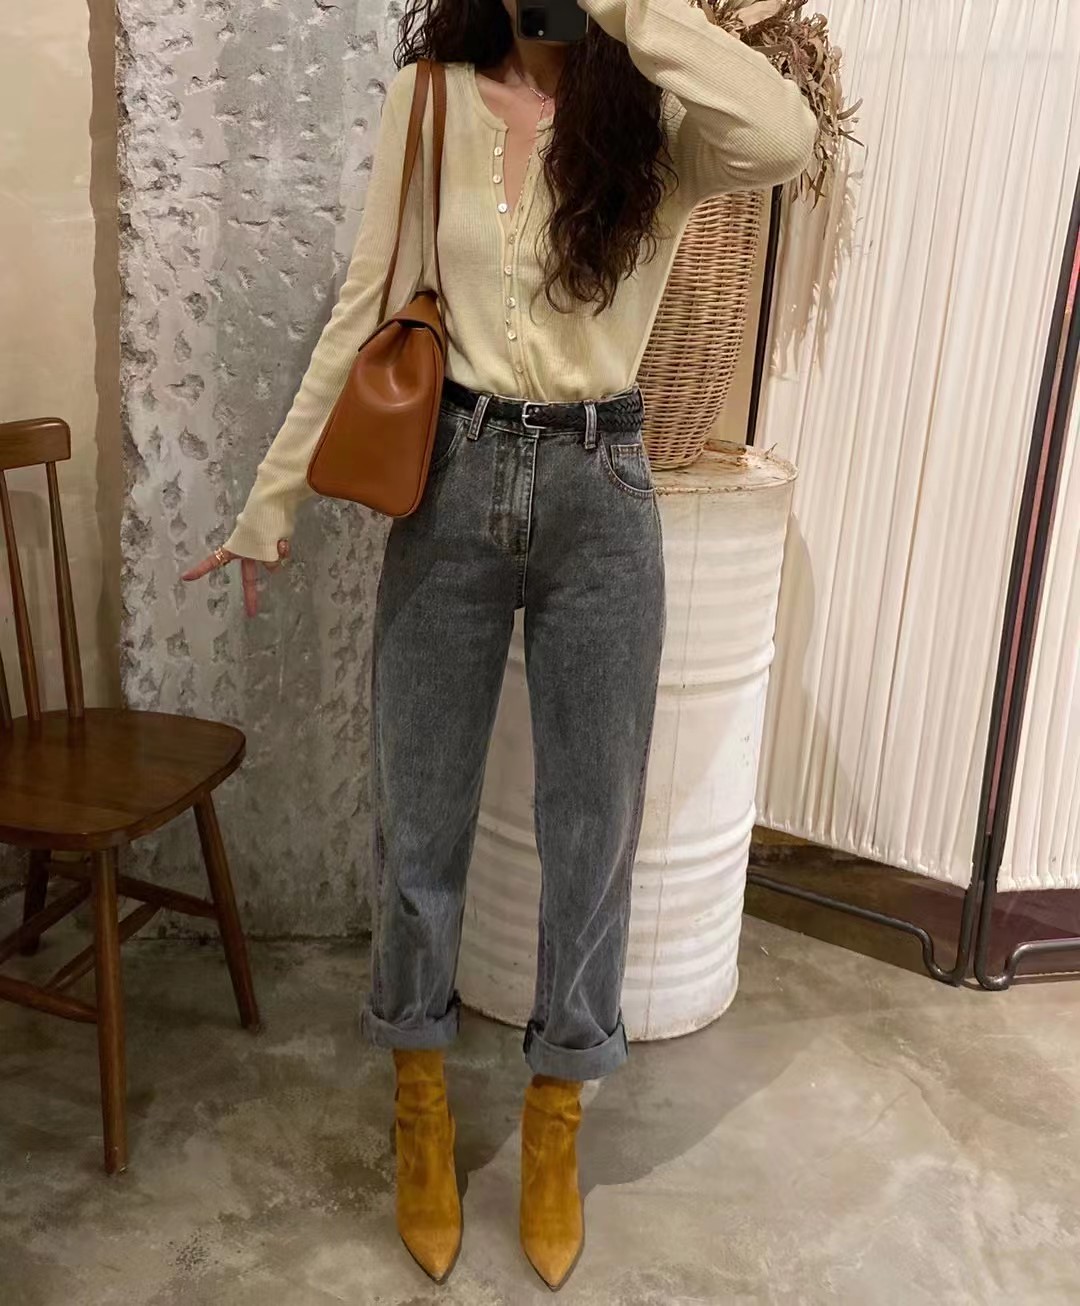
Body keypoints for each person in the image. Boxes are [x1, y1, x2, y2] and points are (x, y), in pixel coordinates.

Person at [184, 0, 815, 1288]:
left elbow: (785, 133)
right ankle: (420, 1102)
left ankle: (555, 1118)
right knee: (419, 819)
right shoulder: (427, 99)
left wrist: (632, 13)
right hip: (455, 485)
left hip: (605, 493)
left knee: (595, 830)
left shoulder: (660, 120)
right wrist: (271, 502)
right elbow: (365, 304)